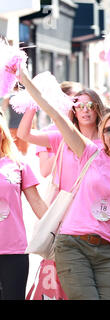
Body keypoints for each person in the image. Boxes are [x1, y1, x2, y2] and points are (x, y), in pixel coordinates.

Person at [13, 66, 110, 300]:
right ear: (103, 134)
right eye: (109, 130)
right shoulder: (89, 152)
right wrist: (26, 82)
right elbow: (56, 118)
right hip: (73, 244)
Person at [0, 110, 47, 300]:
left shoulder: (18, 163)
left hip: (14, 250)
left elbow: (37, 202)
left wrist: (61, 231)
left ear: (2, 132)